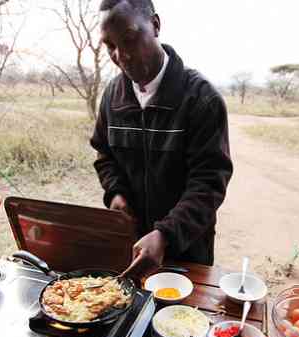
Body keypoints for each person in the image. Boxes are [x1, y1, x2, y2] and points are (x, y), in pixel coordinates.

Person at [91, 0, 233, 278]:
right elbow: (105, 155)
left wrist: (165, 234)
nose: (121, 56)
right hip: (130, 246)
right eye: (110, 45)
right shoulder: (112, 97)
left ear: (155, 26)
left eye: (129, 39)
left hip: (187, 251)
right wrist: (116, 192)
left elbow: (208, 183)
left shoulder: (201, 99)